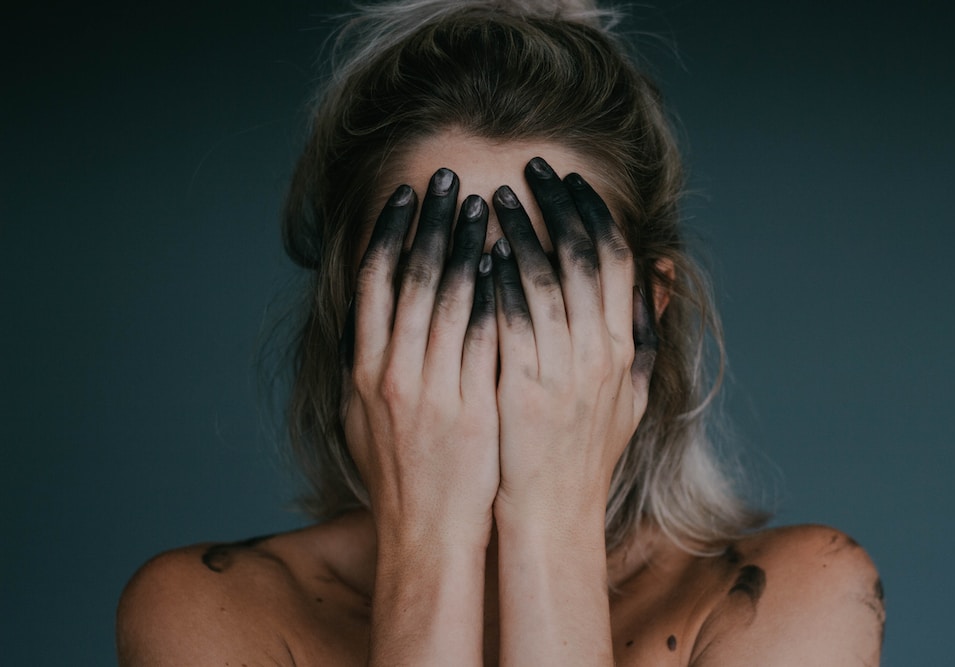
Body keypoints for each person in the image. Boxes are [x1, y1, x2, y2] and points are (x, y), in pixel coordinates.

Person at [116, 0, 885, 664]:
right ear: (354, 315)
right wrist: (431, 542)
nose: (487, 343)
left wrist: (548, 526)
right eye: (433, 278)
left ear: (644, 314)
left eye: (545, 285)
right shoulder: (208, 612)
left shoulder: (795, 598)